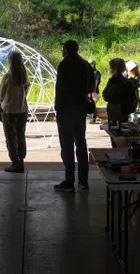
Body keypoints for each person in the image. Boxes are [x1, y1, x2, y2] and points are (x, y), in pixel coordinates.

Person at [54, 40, 92, 193]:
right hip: (80, 109)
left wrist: (58, 108)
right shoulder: (85, 65)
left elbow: (60, 89)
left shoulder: (64, 65)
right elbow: (91, 86)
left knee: (67, 146)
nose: (62, 50)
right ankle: (83, 181)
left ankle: (69, 180)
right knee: (81, 144)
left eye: (63, 48)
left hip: (66, 111)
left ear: (67, 50)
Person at [0, 51, 30, 174]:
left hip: (9, 111)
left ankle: (14, 163)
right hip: (22, 110)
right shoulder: (24, 76)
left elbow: (1, 93)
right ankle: (21, 162)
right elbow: (26, 90)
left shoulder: (8, 76)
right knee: (21, 136)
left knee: (11, 138)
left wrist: (3, 102)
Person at [102, 58, 134, 126]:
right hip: (125, 110)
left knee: (115, 131)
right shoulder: (126, 81)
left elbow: (105, 96)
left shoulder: (113, 81)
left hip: (115, 110)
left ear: (114, 68)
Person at [88, 60, 101, 124]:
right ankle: (90, 118)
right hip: (88, 91)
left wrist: (94, 90)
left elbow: (97, 81)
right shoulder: (87, 72)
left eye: (91, 64)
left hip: (94, 91)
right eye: (89, 64)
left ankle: (93, 119)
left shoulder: (96, 72)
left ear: (94, 64)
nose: (90, 65)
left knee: (93, 104)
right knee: (90, 104)